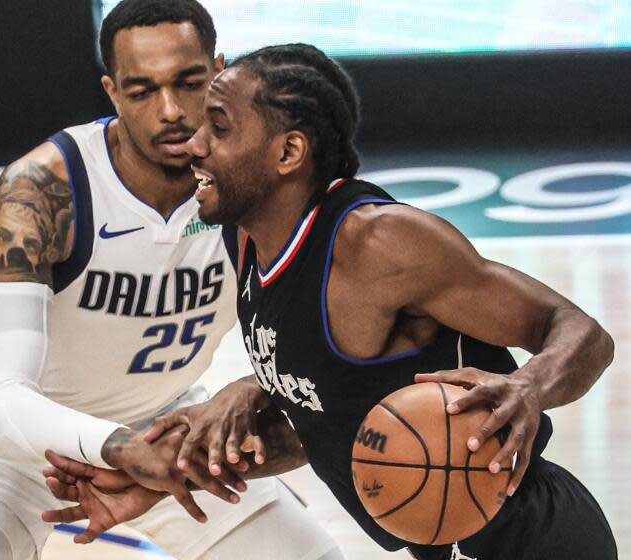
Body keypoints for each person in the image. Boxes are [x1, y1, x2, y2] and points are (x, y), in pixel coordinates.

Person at [44, 43, 618, 559]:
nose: (194, 145)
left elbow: (580, 332)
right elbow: (327, 426)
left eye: (218, 128)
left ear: (289, 151)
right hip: (447, 542)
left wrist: (529, 386)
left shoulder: (379, 242)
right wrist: (169, 475)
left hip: (533, 535)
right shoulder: (243, 237)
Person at [0, 4, 345, 559]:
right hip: (3, 440)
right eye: (142, 91)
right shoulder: (46, 187)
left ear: (220, 70)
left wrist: (245, 396)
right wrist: (118, 450)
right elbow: (1, 408)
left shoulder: (256, 179)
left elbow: (327, 368)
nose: (170, 111)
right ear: (112, 92)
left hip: (164, 428)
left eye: (189, 83)